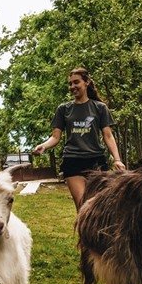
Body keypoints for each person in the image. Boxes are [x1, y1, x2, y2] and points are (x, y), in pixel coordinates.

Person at [32, 67, 125, 209]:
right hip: (73, 161)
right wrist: (44, 145)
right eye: (70, 84)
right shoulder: (63, 109)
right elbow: (55, 137)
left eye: (76, 82)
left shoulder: (100, 108)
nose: (72, 87)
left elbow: (108, 136)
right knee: (83, 206)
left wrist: (117, 159)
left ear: (86, 82)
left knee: (100, 207)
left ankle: (98, 232)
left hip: (96, 161)